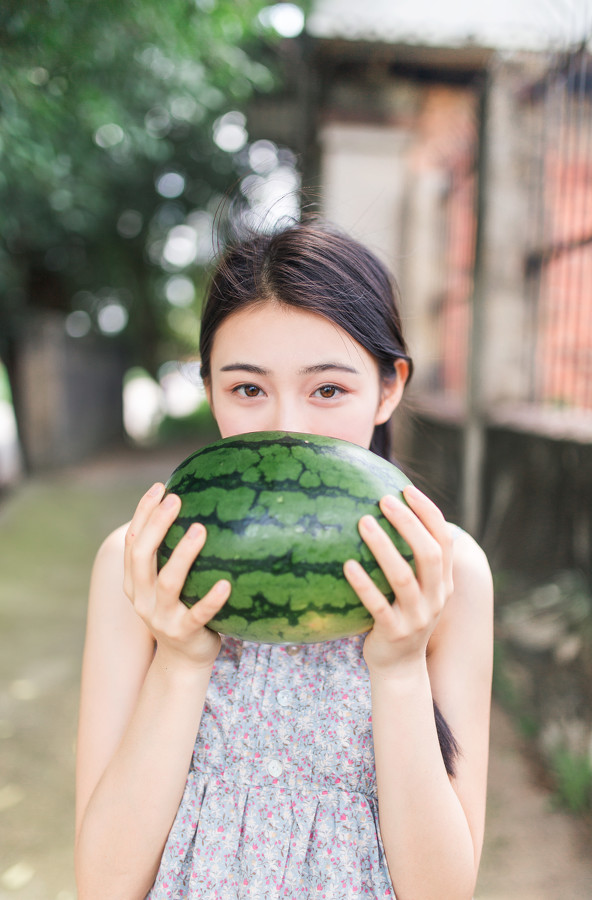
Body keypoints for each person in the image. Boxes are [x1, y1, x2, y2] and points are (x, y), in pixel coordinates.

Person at [75, 220, 493, 900]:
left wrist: (398, 667)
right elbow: (102, 885)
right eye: (248, 389)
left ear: (389, 388)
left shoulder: (447, 574)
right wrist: (180, 661)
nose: (286, 428)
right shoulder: (143, 564)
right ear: (209, 388)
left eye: (327, 389)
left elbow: (441, 893)